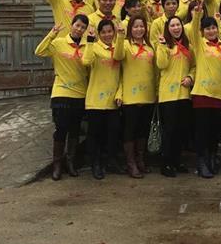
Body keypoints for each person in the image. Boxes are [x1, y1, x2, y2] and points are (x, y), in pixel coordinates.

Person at [34, 15, 90, 180]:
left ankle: (70, 162)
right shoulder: (59, 43)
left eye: (82, 27)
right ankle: (57, 165)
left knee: (75, 130)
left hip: (80, 93)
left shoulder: (88, 46)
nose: (79, 29)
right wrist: (52, 33)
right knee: (61, 129)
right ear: (72, 25)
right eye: (77, 25)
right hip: (61, 93)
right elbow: (39, 51)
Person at [189, 4, 221, 179]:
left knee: (215, 131)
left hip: (220, 94)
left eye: (213, 28)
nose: (211, 31)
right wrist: (197, 15)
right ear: (203, 31)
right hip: (202, 94)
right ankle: (202, 161)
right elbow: (193, 30)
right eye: (207, 28)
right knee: (202, 131)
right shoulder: (200, 44)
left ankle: (213, 157)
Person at [81, 18, 123, 180]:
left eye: (110, 31)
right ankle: (95, 163)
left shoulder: (118, 48)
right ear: (99, 34)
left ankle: (111, 161)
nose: (107, 35)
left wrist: (119, 94)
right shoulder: (95, 47)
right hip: (95, 101)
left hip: (112, 101)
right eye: (104, 32)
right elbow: (86, 61)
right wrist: (90, 42)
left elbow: (122, 74)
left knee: (113, 134)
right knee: (95, 134)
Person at [155, 14, 197, 177]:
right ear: (168, 29)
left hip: (184, 94)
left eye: (178, 25)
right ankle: (166, 163)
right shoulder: (164, 45)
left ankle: (176, 161)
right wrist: (162, 46)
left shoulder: (188, 46)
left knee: (181, 129)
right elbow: (161, 64)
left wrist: (190, 78)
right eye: (172, 26)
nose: (176, 28)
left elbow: (194, 66)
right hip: (168, 95)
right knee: (169, 130)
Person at [117, 15, 157, 179]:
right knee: (130, 131)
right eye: (135, 26)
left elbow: (155, 71)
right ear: (130, 29)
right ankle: (131, 163)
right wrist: (120, 36)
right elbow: (117, 57)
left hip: (148, 95)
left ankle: (141, 159)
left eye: (142, 26)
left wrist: (157, 91)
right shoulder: (126, 44)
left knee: (143, 130)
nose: (139, 29)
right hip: (130, 96)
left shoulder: (150, 46)